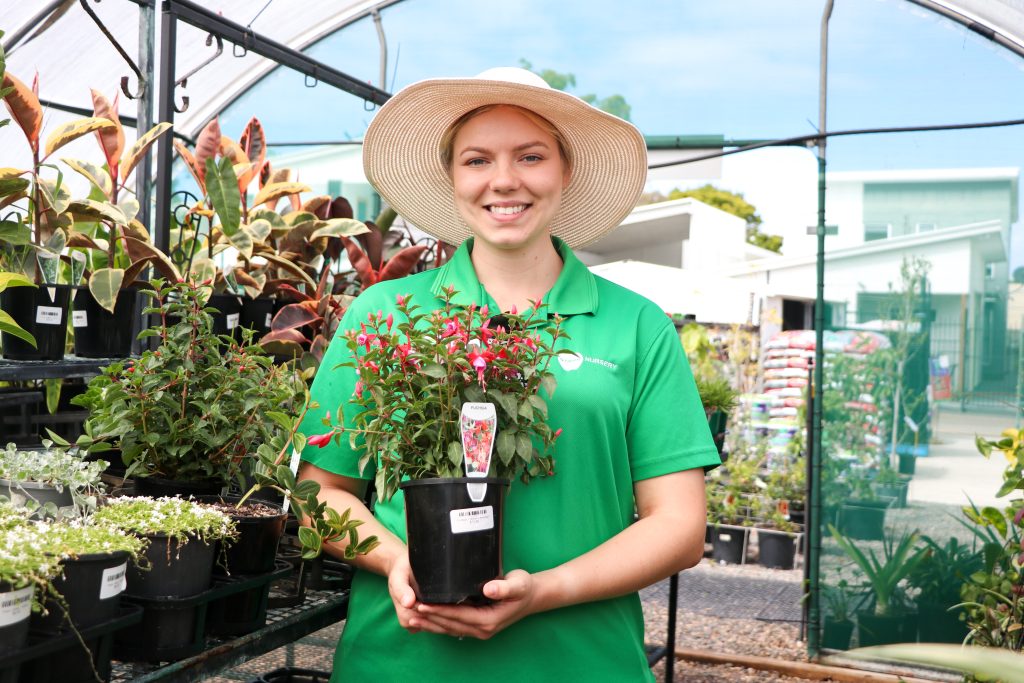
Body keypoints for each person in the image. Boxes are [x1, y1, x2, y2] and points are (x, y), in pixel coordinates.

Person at [297, 67, 721, 682]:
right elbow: (321, 494)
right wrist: (396, 561)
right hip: (405, 662)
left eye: (530, 156)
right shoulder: (383, 316)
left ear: (564, 171)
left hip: (582, 662)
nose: (503, 180)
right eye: (476, 160)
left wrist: (546, 589)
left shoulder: (636, 325)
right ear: (452, 178)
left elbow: (680, 526)